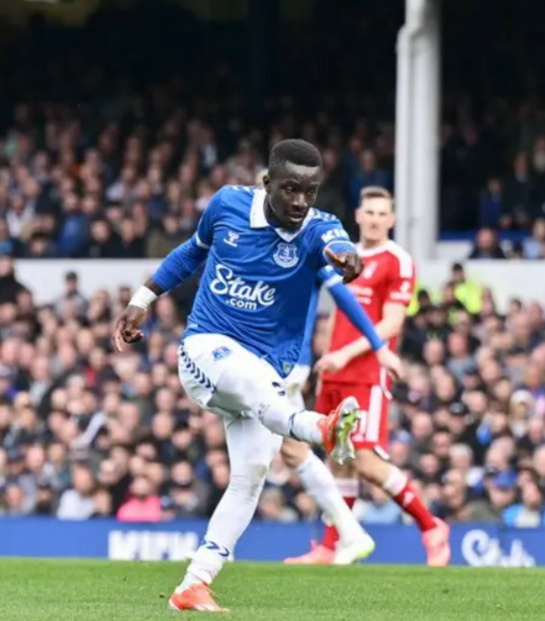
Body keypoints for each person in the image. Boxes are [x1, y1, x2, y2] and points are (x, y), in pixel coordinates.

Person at [113, 139, 402, 612]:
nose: (300, 201)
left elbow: (340, 245)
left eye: (310, 191)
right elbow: (191, 252)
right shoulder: (227, 205)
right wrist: (141, 301)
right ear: (267, 183)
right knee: (256, 384)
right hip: (206, 352)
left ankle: (194, 583)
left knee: (251, 474)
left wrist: (350, 258)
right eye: (290, 189)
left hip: (261, 373)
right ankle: (322, 428)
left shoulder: (318, 228)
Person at [282, 186, 451, 566]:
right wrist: (328, 357)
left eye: (382, 214)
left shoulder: (397, 261)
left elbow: (391, 323)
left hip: (367, 374)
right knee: (337, 459)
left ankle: (430, 526)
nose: (375, 219)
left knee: (365, 462)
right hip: (335, 371)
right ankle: (331, 545)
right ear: (357, 215)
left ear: (391, 220)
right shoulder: (343, 255)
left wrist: (345, 353)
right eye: (369, 212)